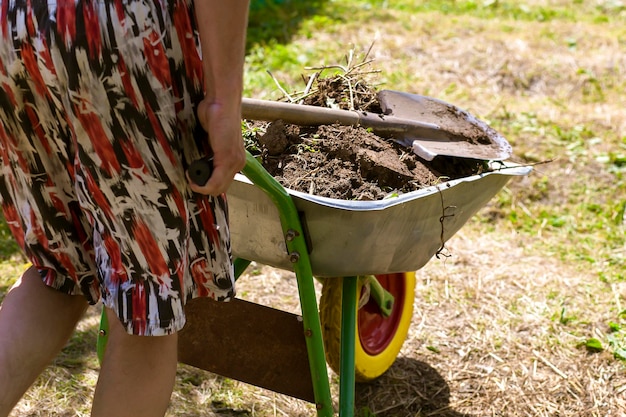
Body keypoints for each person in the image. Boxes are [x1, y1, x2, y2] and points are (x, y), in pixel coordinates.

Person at [0, 0, 249, 416]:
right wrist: (224, 100)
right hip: (117, 30)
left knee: (57, 273)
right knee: (146, 308)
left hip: (14, 27)